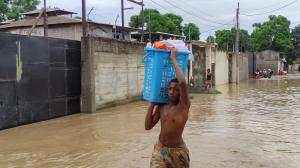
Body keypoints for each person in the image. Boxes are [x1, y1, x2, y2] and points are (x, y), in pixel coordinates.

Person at [145, 50, 190, 168]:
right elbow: (148, 126)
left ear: (181, 93)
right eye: (170, 89)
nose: (172, 92)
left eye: (176, 90)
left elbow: (183, 84)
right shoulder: (162, 106)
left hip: (178, 152)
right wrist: (152, 104)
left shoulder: (183, 106)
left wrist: (174, 59)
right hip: (161, 150)